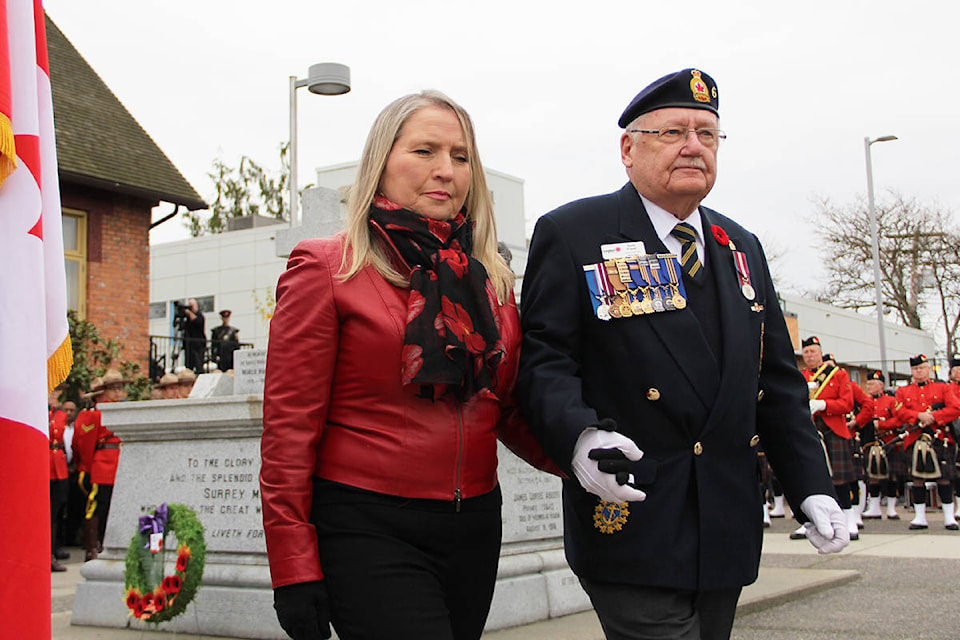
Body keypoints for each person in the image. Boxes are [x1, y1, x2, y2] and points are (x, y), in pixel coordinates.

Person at [517, 68, 848, 640]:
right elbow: (545, 361)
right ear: (629, 148)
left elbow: (777, 384)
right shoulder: (575, 232)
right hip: (634, 511)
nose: (694, 146)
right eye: (673, 132)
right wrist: (581, 437)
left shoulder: (739, 245)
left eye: (707, 134)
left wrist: (811, 486)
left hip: (723, 520)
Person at [260, 90, 560, 640]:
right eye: (425, 151)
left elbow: (507, 407)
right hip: (366, 523)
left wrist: (585, 459)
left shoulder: (490, 280)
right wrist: (293, 565)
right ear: (382, 161)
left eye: (461, 155)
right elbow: (288, 430)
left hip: (473, 525)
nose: (446, 170)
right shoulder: (328, 267)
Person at [895, 354, 960, 530]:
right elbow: (899, 411)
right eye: (916, 369)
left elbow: (955, 409)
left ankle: (949, 517)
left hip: (939, 437)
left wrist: (933, 417)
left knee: (944, 478)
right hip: (915, 438)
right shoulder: (903, 391)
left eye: (922, 368)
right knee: (917, 479)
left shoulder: (943, 388)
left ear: (928, 369)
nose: (919, 371)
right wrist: (918, 416)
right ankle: (920, 517)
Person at [82, 369, 127, 559]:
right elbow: (86, 445)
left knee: (116, 506)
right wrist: (86, 467)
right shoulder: (96, 414)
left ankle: (111, 543)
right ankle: (92, 547)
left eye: (120, 388)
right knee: (97, 506)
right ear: (104, 391)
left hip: (120, 463)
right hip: (103, 464)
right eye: (112, 389)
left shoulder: (125, 410)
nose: (117, 393)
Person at [860, 370, 904, 519]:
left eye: (872, 384)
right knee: (873, 475)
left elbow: (899, 420)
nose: (869, 386)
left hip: (889, 441)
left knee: (891, 475)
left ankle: (891, 508)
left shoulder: (891, 401)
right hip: (872, 442)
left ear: (881, 385)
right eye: (868, 383)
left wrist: (882, 425)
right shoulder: (865, 401)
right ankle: (874, 507)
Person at [48, 390, 70, 571]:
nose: (53, 395)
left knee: (58, 508)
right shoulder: (40, 411)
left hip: (59, 466)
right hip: (44, 464)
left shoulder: (62, 415)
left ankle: (53, 550)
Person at [182, 298, 206, 374]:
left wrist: (189, 313)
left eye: (191, 306)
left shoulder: (200, 316)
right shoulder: (187, 318)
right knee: (189, 366)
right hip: (189, 345)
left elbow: (197, 321)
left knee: (198, 365)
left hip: (198, 345)